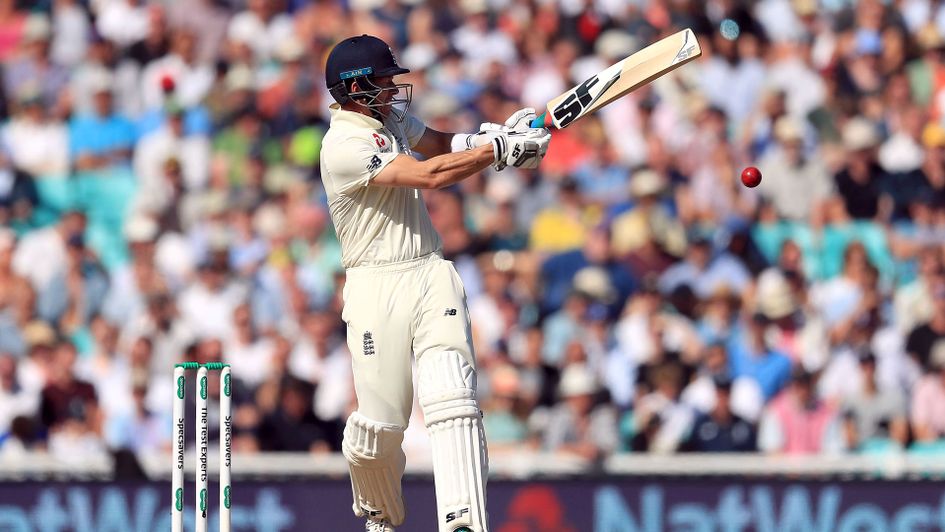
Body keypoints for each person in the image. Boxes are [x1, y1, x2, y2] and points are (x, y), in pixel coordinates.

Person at [319, 35, 551, 532]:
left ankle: (463, 521)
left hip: (428, 270)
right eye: (384, 80)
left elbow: (444, 146)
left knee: (454, 395)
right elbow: (430, 175)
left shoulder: (391, 120)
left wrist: (494, 139)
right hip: (374, 285)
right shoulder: (344, 145)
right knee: (380, 428)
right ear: (355, 88)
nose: (394, 87)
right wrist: (499, 151)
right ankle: (380, 515)